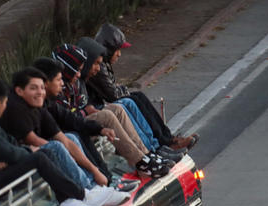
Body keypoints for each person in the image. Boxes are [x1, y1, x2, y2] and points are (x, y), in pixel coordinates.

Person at [0, 78, 128, 206]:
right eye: (5, 102)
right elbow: (10, 152)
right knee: (39, 156)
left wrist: (10, 156)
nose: (6, 106)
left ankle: (70, 200)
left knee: (46, 150)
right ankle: (83, 195)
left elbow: (8, 143)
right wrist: (29, 151)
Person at [40, 51, 173, 179]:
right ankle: (139, 162)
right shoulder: (51, 98)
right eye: (58, 79)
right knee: (102, 119)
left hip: (80, 120)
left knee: (119, 108)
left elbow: (71, 113)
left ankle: (147, 153)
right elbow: (68, 119)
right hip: (70, 129)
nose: (79, 74)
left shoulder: (71, 86)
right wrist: (86, 113)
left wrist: (96, 124)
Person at [89, 24, 198, 151]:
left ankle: (167, 138)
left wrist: (121, 89)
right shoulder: (100, 66)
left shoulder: (103, 64)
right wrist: (122, 89)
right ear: (108, 49)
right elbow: (113, 94)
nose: (119, 54)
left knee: (137, 96)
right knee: (129, 102)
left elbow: (113, 89)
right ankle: (155, 145)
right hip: (98, 107)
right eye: (117, 50)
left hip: (103, 104)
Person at [0, 67, 111, 193]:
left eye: (42, 88)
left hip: (33, 156)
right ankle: (87, 191)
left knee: (70, 137)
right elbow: (33, 140)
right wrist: (67, 154)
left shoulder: (39, 105)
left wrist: (95, 171)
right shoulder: (15, 107)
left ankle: (94, 184)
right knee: (56, 147)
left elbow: (65, 139)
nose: (40, 92)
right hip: (11, 165)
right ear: (19, 91)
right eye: (33, 88)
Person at [74, 37, 183, 163]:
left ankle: (156, 147)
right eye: (96, 63)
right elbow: (112, 94)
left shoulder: (82, 79)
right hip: (83, 118)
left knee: (132, 99)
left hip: (91, 112)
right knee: (122, 105)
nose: (98, 68)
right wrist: (85, 111)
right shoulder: (79, 79)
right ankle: (143, 158)